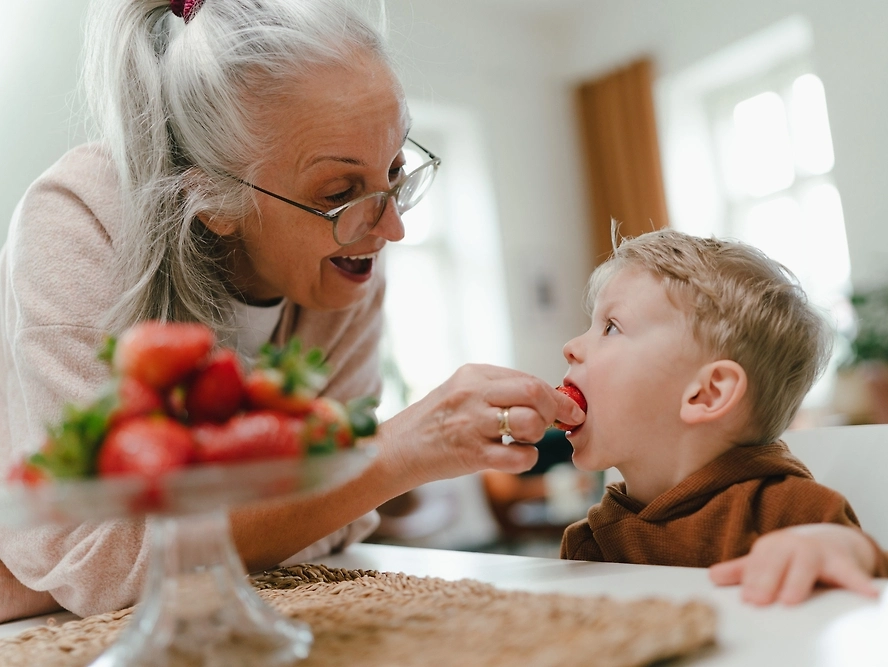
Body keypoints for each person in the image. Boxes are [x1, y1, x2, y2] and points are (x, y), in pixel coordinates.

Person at [0, 0, 585, 623]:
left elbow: (339, 523)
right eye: (340, 193)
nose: (392, 228)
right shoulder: (81, 223)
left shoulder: (349, 253)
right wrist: (393, 456)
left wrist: (53, 573)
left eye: (394, 171)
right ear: (212, 201)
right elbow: (101, 563)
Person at [558, 228, 888, 605]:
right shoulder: (590, 543)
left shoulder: (794, 514)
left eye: (611, 327)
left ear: (707, 393)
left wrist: (853, 551)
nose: (571, 346)